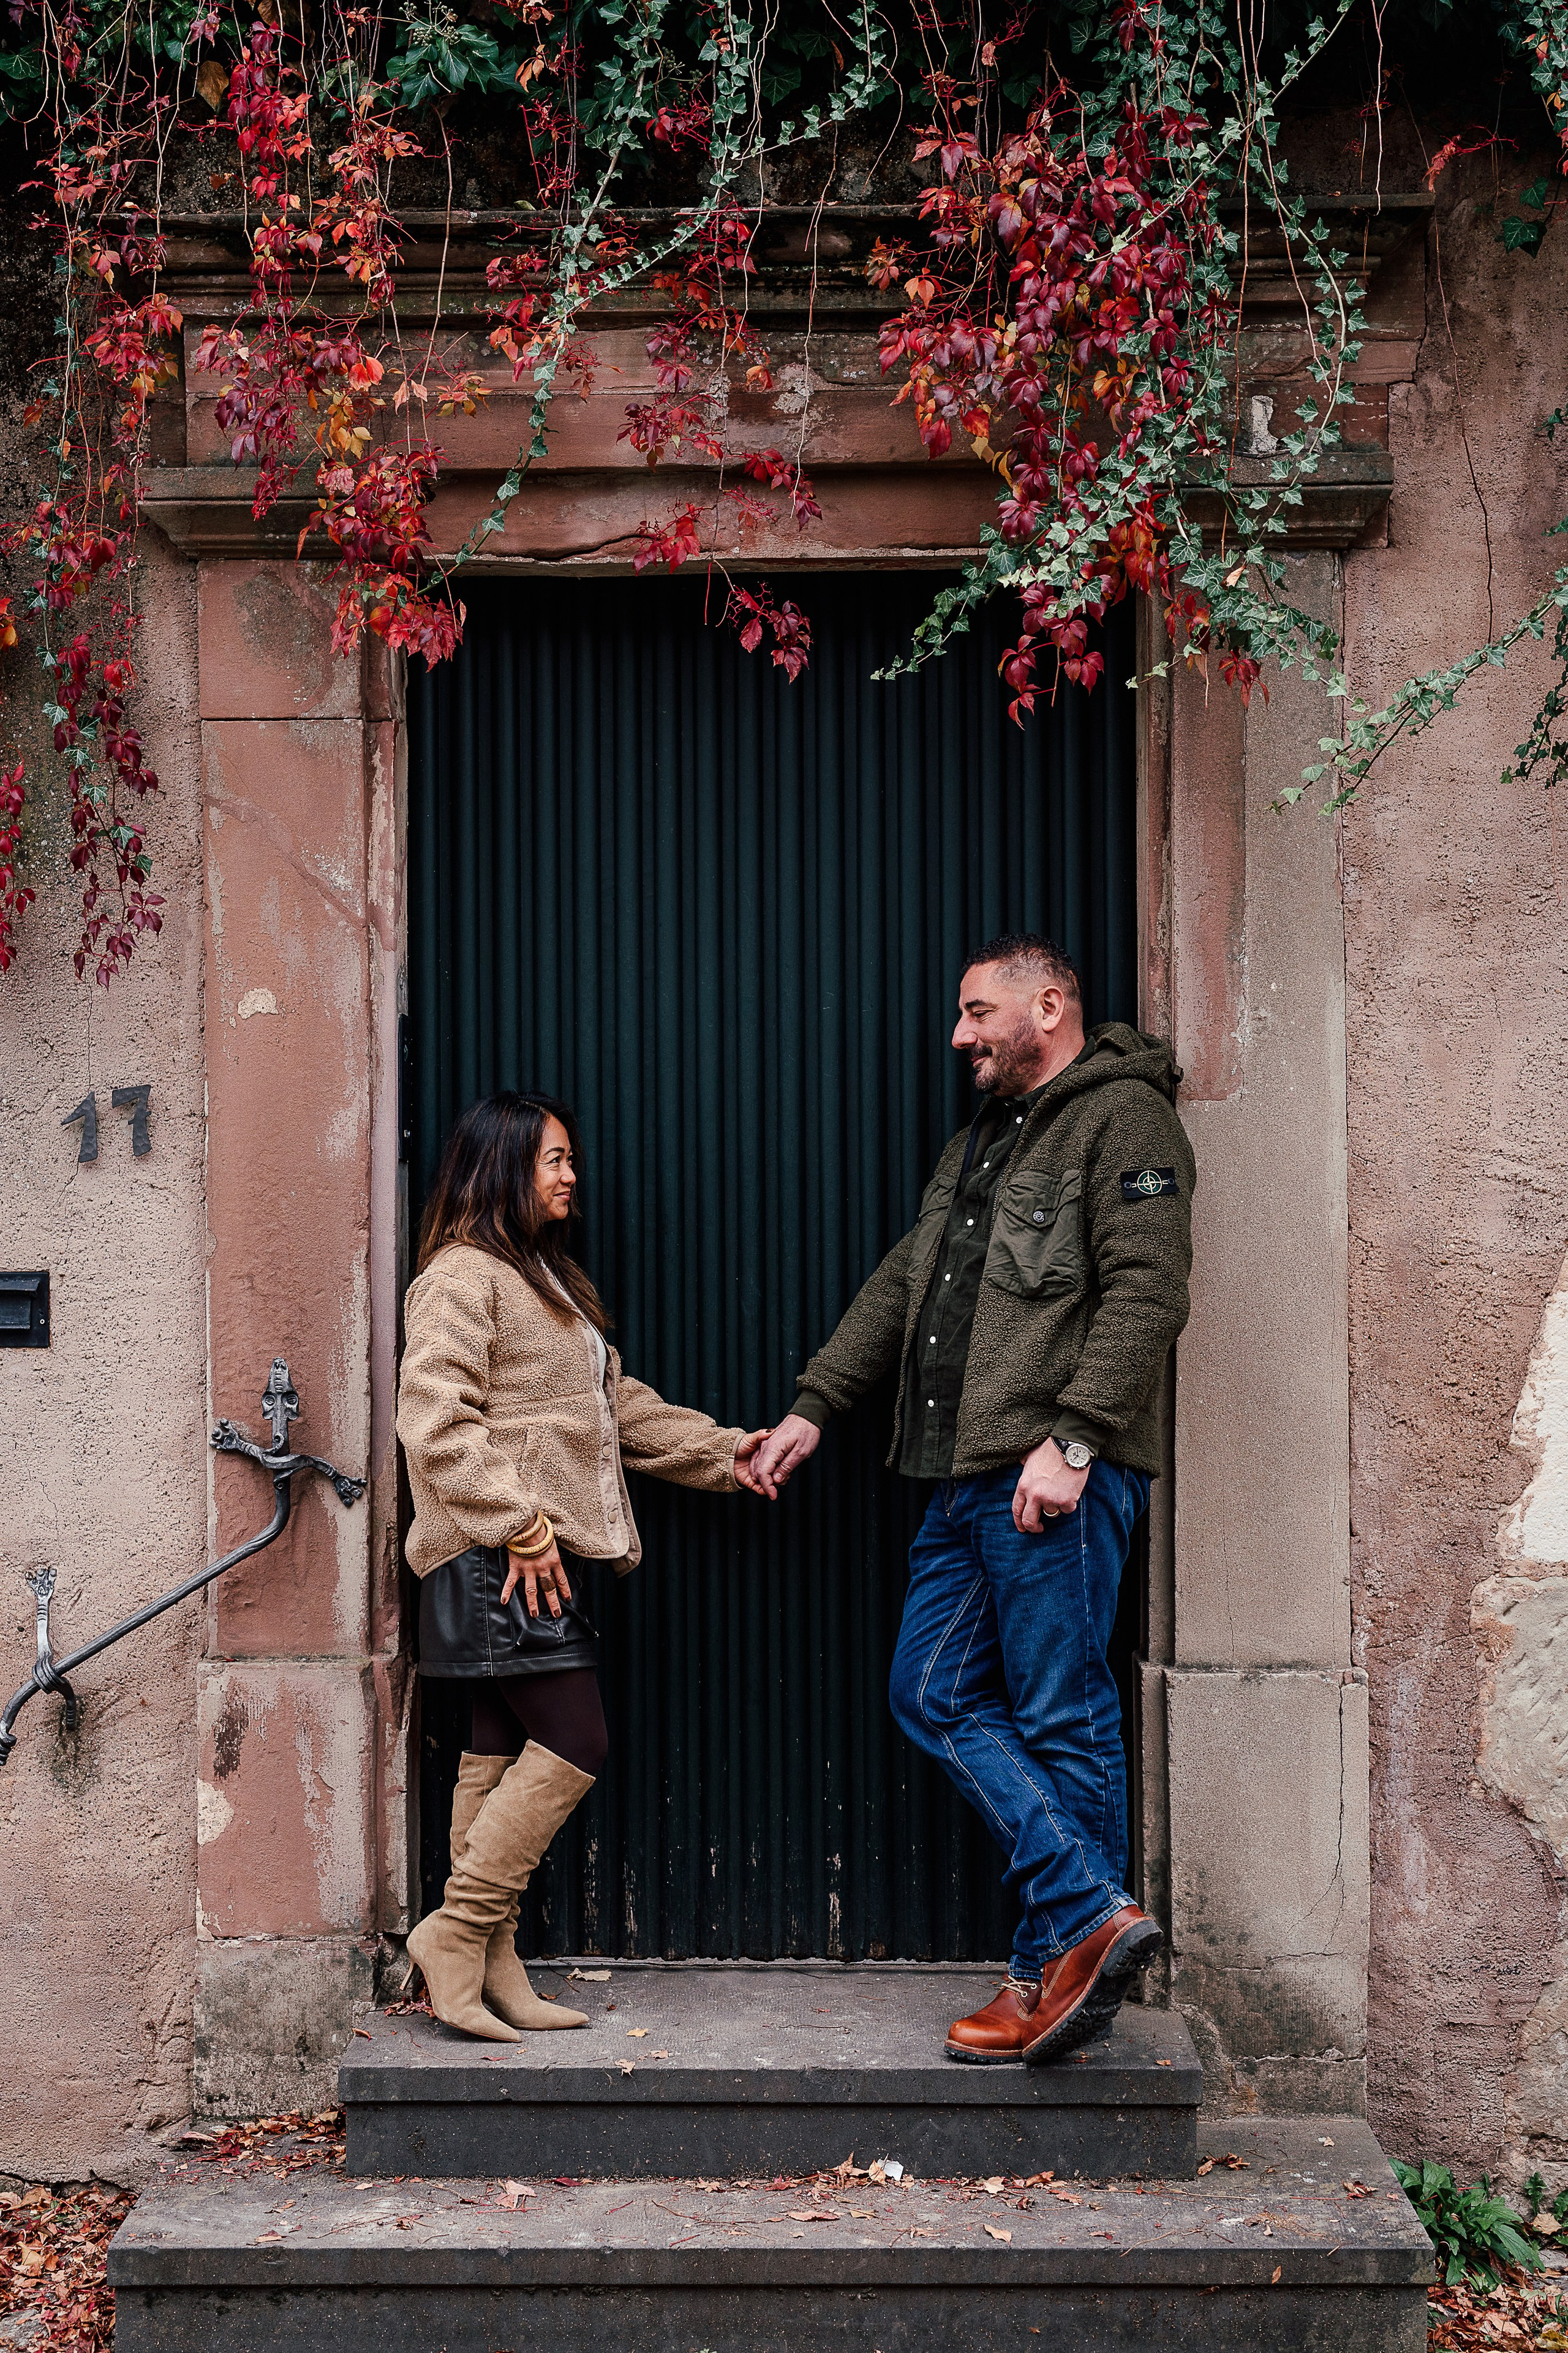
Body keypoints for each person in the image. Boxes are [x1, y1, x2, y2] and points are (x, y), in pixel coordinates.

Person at [753, 934, 1195, 2065]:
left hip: (1051, 1474)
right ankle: (1089, 1911)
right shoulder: (980, 1143)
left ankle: (1047, 1973)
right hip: (960, 1475)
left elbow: (1150, 1292)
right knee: (931, 1690)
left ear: (1048, 1006)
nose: (959, 1035)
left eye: (976, 1011)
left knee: (1059, 1713)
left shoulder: (1124, 1119)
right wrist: (817, 1403)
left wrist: (1079, 1438)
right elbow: (909, 1277)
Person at [398, 1090, 771, 2042]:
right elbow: (435, 1422)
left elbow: (617, 1412)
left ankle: (491, 1962)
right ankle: (457, 1932)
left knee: (491, 1746)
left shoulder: (543, 1280)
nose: (571, 1174)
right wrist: (521, 1523)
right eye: (552, 1158)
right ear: (500, 1165)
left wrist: (726, 1452)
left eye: (570, 1158)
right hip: (500, 1560)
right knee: (579, 1738)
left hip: (516, 1556)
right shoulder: (461, 1276)